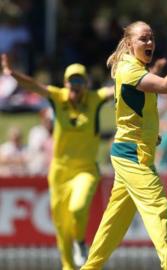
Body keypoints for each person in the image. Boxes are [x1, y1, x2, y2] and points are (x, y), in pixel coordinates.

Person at [80, 21, 167, 270]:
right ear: (130, 43)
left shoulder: (133, 67)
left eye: (151, 38)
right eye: (143, 39)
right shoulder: (130, 70)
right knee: (158, 204)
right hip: (132, 154)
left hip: (134, 150)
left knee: (115, 220)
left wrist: (152, 135)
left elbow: (140, 109)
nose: (149, 42)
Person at [1, 54, 114, 269]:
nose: (76, 85)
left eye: (80, 80)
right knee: (62, 227)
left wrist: (146, 75)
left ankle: (80, 242)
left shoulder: (94, 99)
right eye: (72, 80)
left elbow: (118, 89)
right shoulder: (58, 97)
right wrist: (12, 74)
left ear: (86, 83)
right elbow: (34, 86)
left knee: (78, 207)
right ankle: (68, 266)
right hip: (60, 172)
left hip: (86, 169)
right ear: (65, 83)